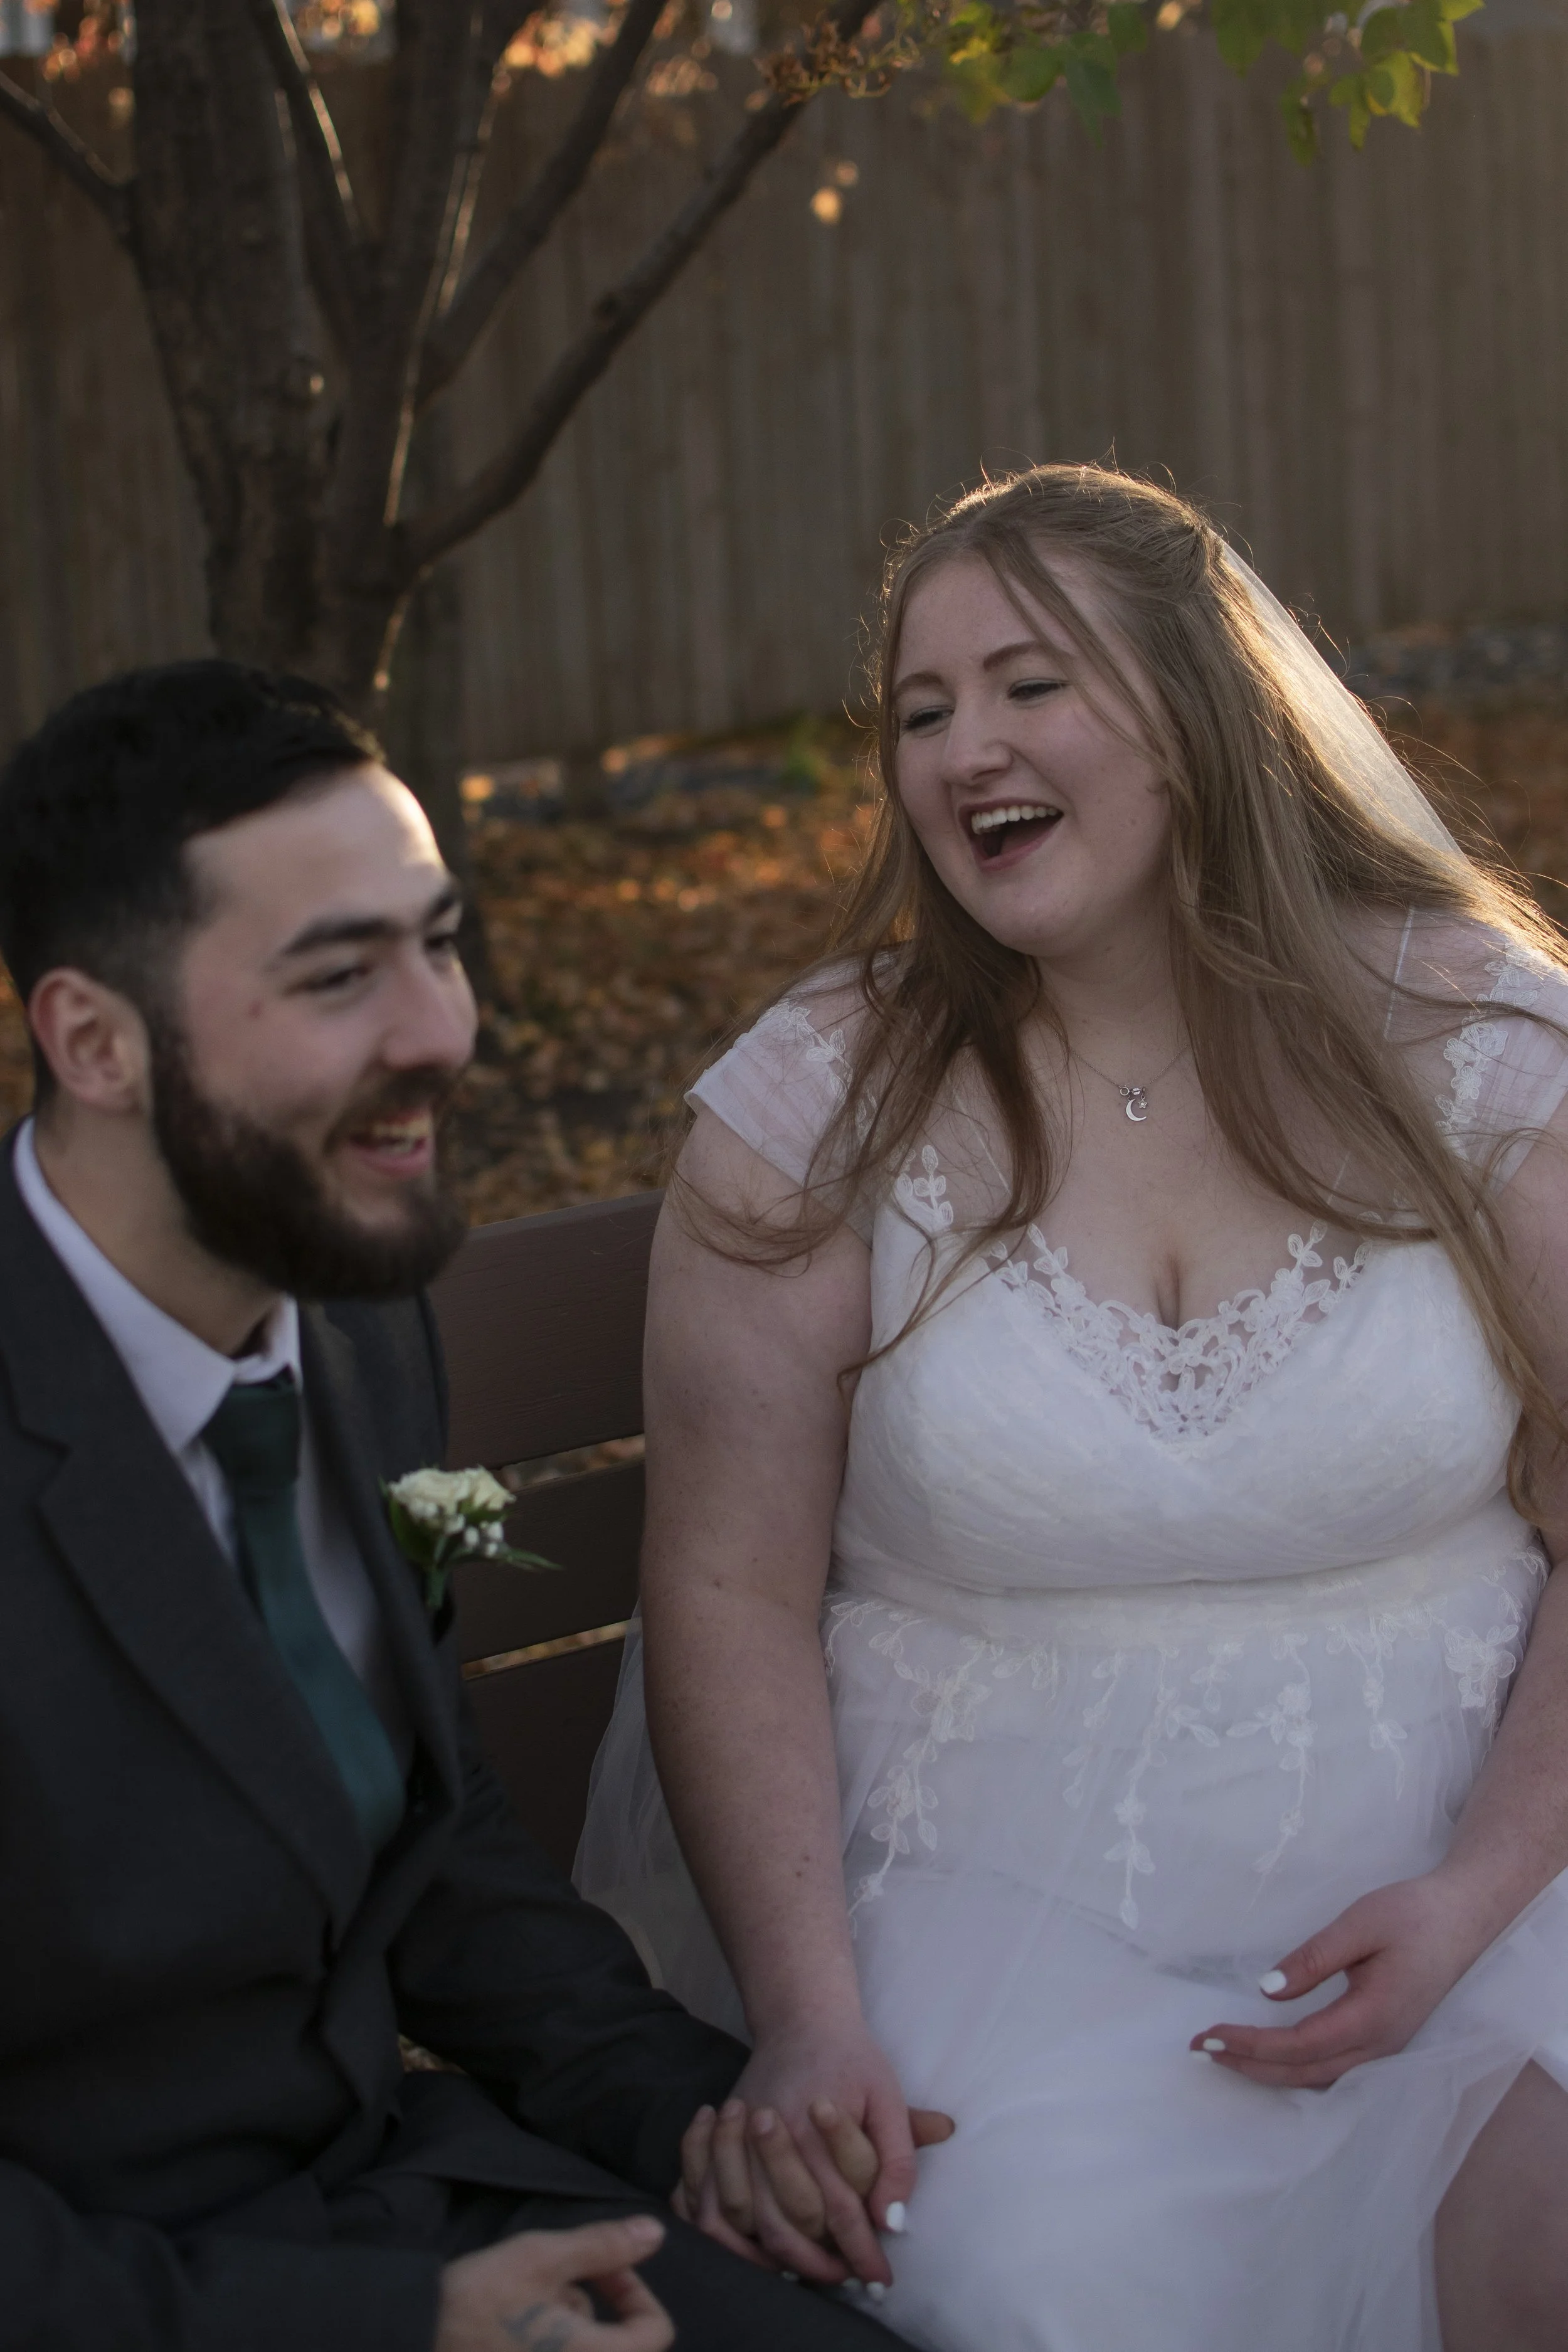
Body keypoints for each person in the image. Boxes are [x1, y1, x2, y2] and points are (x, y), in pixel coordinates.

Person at [576, 466, 1568, 2351]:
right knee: (1051, 2293)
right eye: (921, 710)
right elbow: (722, 1590)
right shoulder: (815, 1109)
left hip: (1488, 1886)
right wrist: (804, 2010)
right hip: (995, 1923)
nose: (964, 751)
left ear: (1198, 719)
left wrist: (1471, 1896)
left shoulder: (1475, 1047)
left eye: (1030, 685)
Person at [0, 660, 914, 2352]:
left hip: (413, 2182)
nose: (443, 1026)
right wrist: (388, 2326)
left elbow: (430, 1836)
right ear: (93, 1039)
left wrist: (696, 2117)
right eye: (339, 973)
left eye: (436, 939)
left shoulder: (357, 1323)